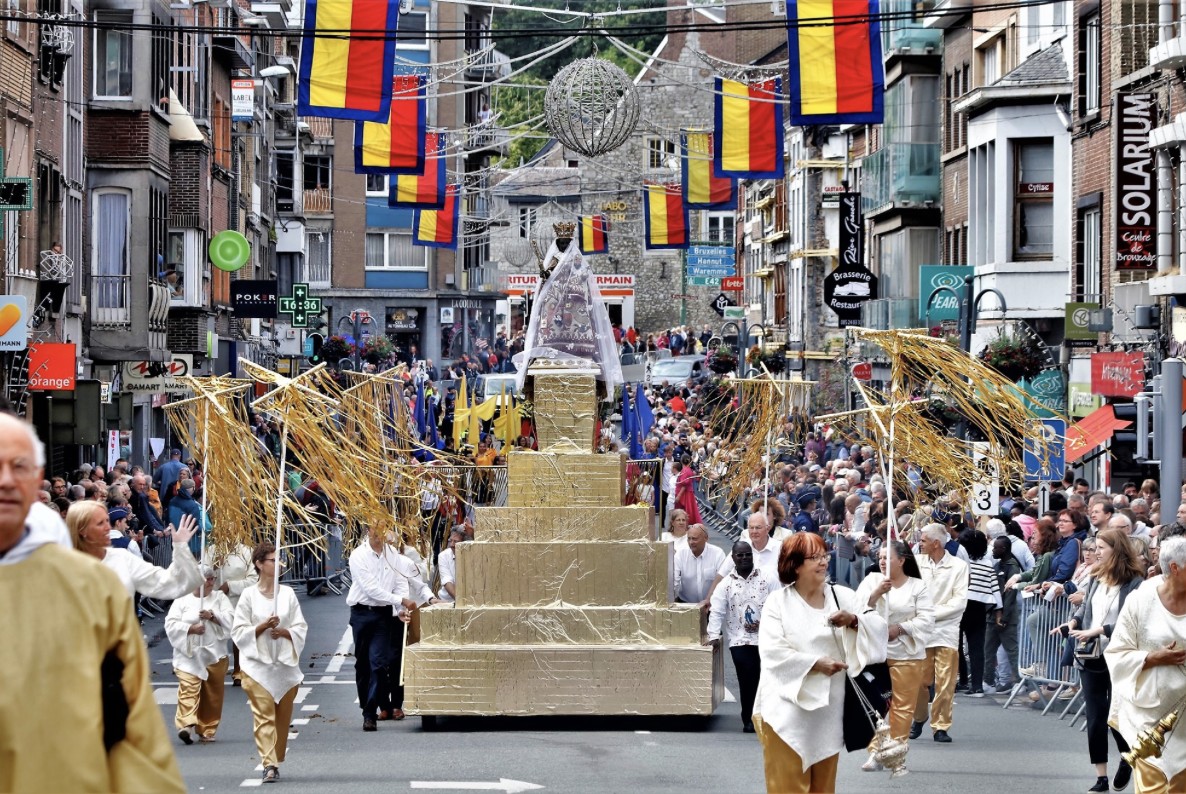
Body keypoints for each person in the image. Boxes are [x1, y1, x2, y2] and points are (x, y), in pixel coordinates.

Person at [0, 412, 185, 792]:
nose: (4, 480)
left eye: (17, 466)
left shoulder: (94, 589)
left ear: (36, 480)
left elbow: (134, 729)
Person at [754, 532, 888, 793]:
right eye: (814, 557)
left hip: (829, 710)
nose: (823, 562)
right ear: (794, 564)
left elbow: (878, 626)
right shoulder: (777, 602)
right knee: (787, 787)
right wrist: (816, 663)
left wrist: (853, 620)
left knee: (824, 788)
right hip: (787, 709)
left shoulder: (843, 596)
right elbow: (772, 651)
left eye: (824, 555)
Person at [1055, 529, 1144, 792]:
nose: (1095, 552)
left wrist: (1100, 630)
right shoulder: (1095, 576)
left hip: (1120, 655)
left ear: (1116, 549)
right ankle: (1101, 776)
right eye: (1095, 548)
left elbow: (1132, 621)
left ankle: (1127, 758)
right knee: (1095, 716)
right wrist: (1071, 622)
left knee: (1118, 714)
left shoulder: (1134, 581)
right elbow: (1085, 610)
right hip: (1090, 653)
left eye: (1101, 548)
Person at [1107, 535, 1186, 793]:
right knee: (1153, 784)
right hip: (1148, 712)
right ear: (1175, 568)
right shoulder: (1141, 600)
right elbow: (1117, 652)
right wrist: (1152, 658)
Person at [853, 540, 933, 772]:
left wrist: (900, 629)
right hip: (876, 654)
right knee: (875, 704)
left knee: (902, 707)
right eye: (880, 556)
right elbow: (857, 609)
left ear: (901, 560)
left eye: (888, 557)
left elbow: (927, 619)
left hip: (907, 654)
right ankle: (876, 752)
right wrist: (876, 594)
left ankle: (895, 753)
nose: (883, 560)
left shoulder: (918, 586)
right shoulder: (871, 581)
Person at [233, 542, 309, 783]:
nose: (278, 565)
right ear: (259, 564)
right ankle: (269, 764)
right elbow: (238, 631)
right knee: (263, 716)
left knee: (282, 719)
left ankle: (275, 756)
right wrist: (263, 626)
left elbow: (300, 627)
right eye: (273, 561)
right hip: (257, 667)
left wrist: (285, 632)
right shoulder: (248, 595)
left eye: (279, 561)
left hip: (284, 666)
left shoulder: (287, 594)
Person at [346, 526, 418, 731]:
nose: (379, 533)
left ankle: (370, 713)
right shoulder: (358, 556)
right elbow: (370, 589)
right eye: (374, 528)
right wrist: (400, 600)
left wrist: (399, 608)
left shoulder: (392, 554)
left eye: (382, 528)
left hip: (382, 615)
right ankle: (366, 706)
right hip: (361, 612)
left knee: (378, 663)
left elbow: (398, 582)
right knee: (363, 664)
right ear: (368, 531)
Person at [706, 541, 778, 733]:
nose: (744, 558)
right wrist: (713, 635)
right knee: (747, 679)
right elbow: (717, 611)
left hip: (767, 638)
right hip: (739, 640)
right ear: (733, 558)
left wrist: (768, 625)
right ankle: (748, 718)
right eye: (740, 555)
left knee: (765, 679)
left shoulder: (767, 578)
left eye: (748, 555)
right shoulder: (726, 585)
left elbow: (780, 604)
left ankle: (767, 717)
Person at [69, 500, 202, 600]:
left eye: (106, 522)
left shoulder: (121, 557)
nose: (107, 528)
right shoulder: (64, 566)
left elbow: (170, 584)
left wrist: (180, 547)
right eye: (100, 523)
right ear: (82, 530)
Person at [911, 523, 969, 743]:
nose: (920, 543)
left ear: (936, 543)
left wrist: (930, 614)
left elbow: (959, 601)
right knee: (919, 681)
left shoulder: (959, 566)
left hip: (946, 630)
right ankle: (919, 718)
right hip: (921, 631)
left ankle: (941, 726)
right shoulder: (915, 563)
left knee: (945, 681)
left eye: (924, 540)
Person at [165, 567, 234, 745]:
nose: (211, 583)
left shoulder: (219, 598)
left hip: (214, 654)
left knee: (212, 693)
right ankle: (186, 724)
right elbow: (171, 624)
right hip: (188, 655)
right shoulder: (182, 600)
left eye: (213, 579)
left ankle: (207, 728)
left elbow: (231, 620)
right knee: (188, 687)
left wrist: (213, 616)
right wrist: (190, 629)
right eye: (207, 579)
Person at [985, 536, 1023, 693]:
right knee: (988, 649)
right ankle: (987, 681)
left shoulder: (1012, 567)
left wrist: (1005, 616)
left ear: (1004, 549)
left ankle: (1020, 682)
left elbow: (1010, 595)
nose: (993, 550)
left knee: (1012, 651)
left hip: (1007, 617)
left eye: (996, 548)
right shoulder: (997, 565)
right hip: (993, 614)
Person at [673, 523, 726, 605]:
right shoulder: (680, 554)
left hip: (712, 604)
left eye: (694, 539)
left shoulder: (718, 554)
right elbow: (674, 580)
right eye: (688, 539)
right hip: (686, 604)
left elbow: (723, 582)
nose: (691, 542)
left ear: (706, 538)